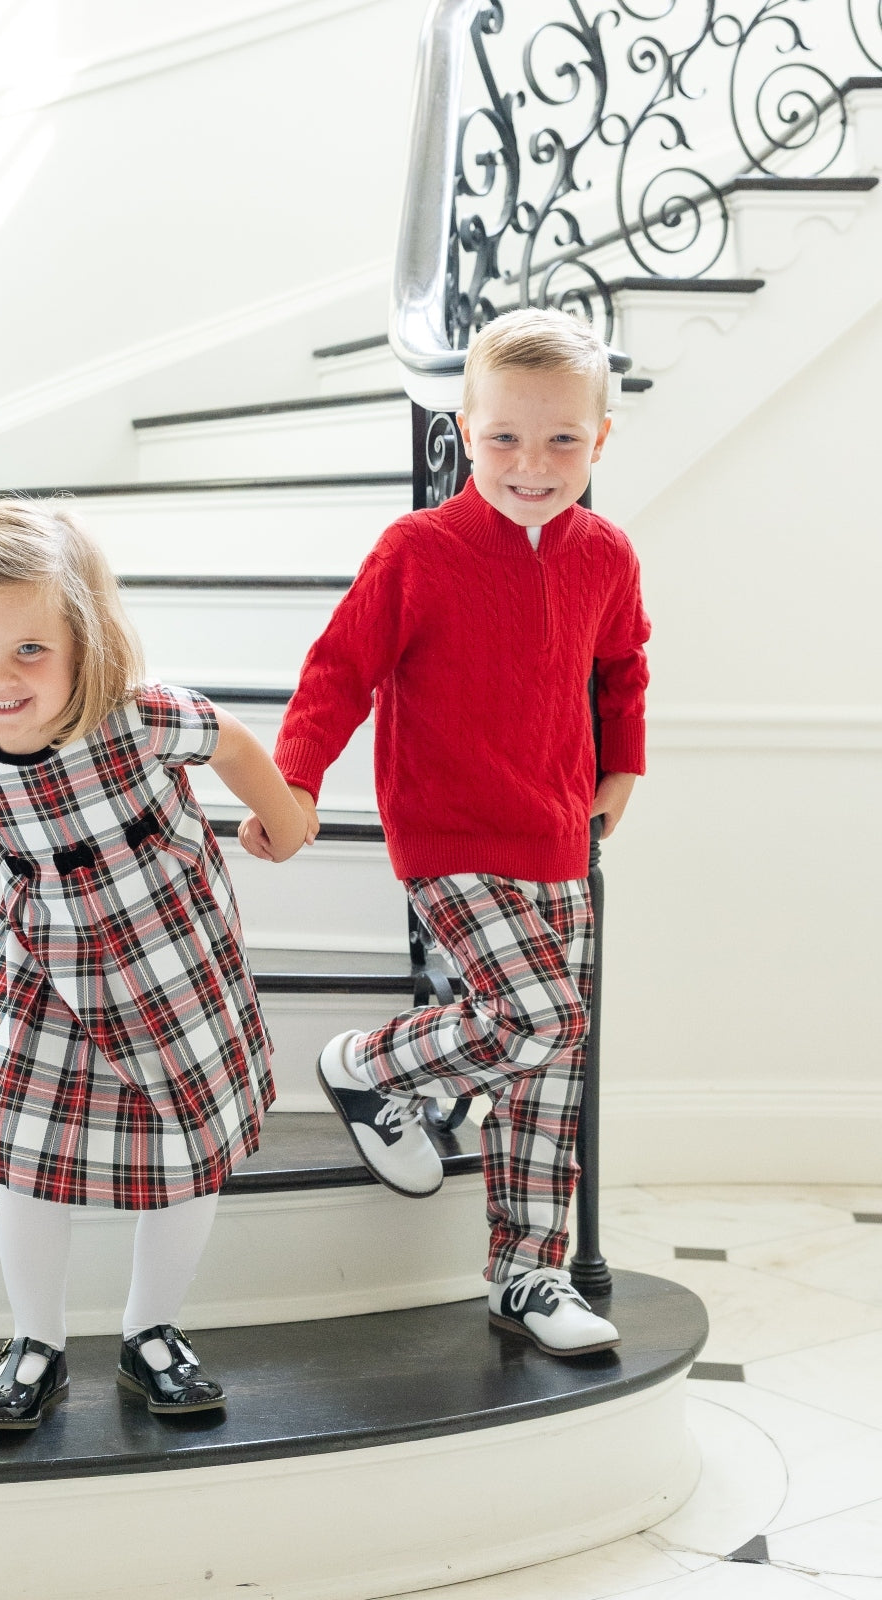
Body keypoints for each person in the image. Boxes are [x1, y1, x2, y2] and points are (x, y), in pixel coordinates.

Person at [240, 308, 650, 1358]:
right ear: (465, 430)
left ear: (600, 440)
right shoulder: (417, 550)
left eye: (562, 439)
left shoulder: (608, 555)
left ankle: (527, 1273)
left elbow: (621, 667)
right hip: (448, 832)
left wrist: (622, 765)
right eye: (505, 436)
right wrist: (294, 783)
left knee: (547, 1066)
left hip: (559, 831)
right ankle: (369, 1066)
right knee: (541, 1015)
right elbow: (339, 670)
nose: (532, 464)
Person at [0, 465, 308, 1428]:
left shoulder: (138, 719)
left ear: (88, 643)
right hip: (52, 974)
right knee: (30, 1159)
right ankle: (34, 1341)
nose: (0, 678)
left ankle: (152, 1330)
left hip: (172, 956)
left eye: (32, 649)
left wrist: (283, 821)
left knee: (187, 1147)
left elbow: (232, 742)